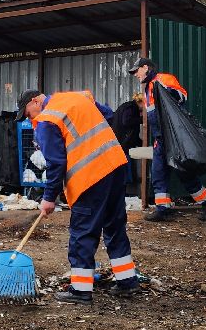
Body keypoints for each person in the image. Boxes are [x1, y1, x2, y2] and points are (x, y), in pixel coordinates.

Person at [17, 88, 140, 304]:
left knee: (83, 231)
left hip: (90, 177)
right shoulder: (77, 97)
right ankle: (127, 281)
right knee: (114, 226)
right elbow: (109, 115)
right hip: (115, 164)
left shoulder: (47, 119)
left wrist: (48, 199)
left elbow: (56, 163)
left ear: (35, 101)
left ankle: (81, 290)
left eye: (28, 113)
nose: (30, 118)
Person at [130, 57, 206, 222]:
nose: (135, 74)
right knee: (158, 172)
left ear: (145, 67)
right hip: (160, 138)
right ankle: (163, 209)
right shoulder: (148, 87)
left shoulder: (163, 79)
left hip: (173, 138)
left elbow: (182, 96)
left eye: (137, 71)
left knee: (185, 173)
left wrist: (165, 89)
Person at [110, 91, 144, 191]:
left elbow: (132, 132)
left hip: (121, 143)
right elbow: (127, 122)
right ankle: (126, 189)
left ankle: (125, 188)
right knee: (124, 170)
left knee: (123, 169)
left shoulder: (128, 107)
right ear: (141, 102)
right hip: (122, 144)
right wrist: (143, 120)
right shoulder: (131, 107)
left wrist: (141, 143)